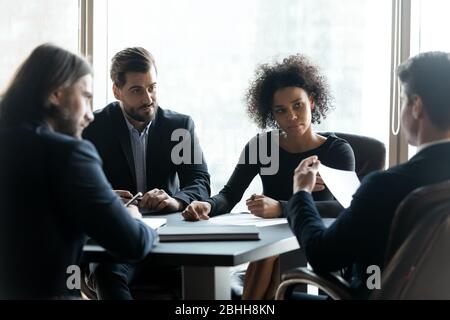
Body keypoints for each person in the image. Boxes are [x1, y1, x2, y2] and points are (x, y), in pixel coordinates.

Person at [182, 54, 355, 299]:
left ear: (313, 102)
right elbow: (229, 195)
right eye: (281, 110)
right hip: (268, 246)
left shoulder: (336, 150)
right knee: (265, 261)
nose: (292, 116)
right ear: (272, 114)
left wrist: (281, 207)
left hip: (314, 243)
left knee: (267, 263)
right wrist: (207, 205)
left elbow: (344, 207)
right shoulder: (262, 146)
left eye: (298, 105)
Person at [288, 51, 450, 299]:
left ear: (416, 106)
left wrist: (301, 192)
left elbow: (321, 255)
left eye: (402, 100)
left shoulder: (386, 185)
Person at [0, 44, 156, 299]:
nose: (89, 114)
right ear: (56, 94)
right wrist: (133, 216)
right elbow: (133, 243)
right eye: (85, 97)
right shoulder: (70, 153)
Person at [83, 47, 210, 300]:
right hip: (119, 241)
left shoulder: (179, 127)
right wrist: (106, 199)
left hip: (170, 240)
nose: (148, 98)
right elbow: (76, 190)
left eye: (152, 87)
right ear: (117, 91)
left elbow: (199, 181)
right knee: (109, 276)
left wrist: (175, 200)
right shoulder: (94, 127)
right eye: (137, 90)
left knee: (213, 285)